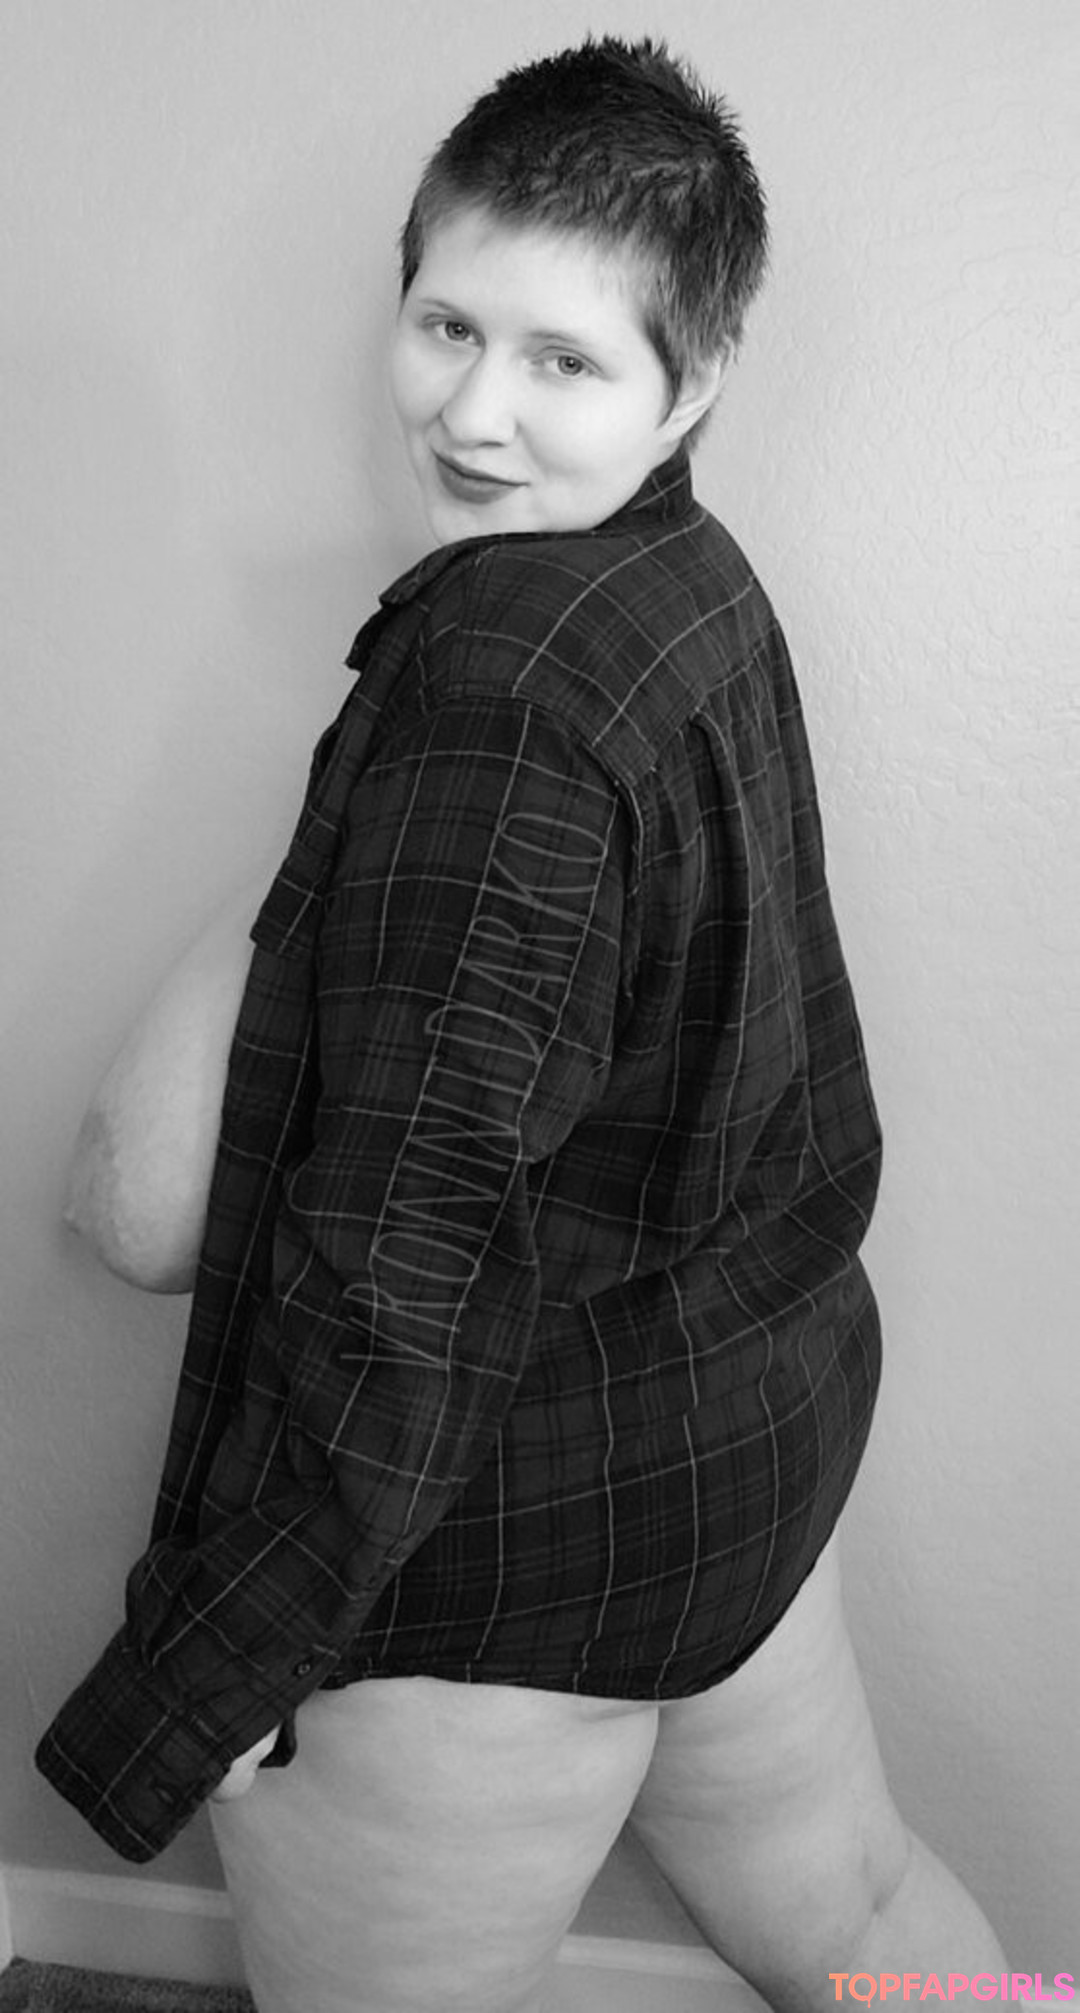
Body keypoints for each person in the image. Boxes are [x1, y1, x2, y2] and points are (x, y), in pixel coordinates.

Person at [37, 36, 1007, 2013]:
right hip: (734, 1451)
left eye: (563, 359)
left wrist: (245, 1636)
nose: (476, 411)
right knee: (860, 1914)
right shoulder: (683, 579)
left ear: (694, 379)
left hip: (490, 1552)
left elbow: (403, 1248)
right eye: (447, 326)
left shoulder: (504, 697)